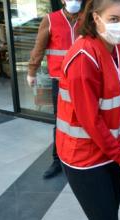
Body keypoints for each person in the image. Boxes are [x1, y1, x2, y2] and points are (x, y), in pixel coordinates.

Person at [56, 0, 120, 220]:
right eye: (114, 19)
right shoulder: (84, 57)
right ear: (96, 18)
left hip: (111, 148)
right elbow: (90, 120)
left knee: (110, 217)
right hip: (84, 157)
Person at [26, 0, 84, 179]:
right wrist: (32, 71)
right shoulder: (50, 20)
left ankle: (83, 158)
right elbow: (39, 47)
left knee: (86, 119)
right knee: (61, 122)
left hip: (84, 80)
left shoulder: (88, 18)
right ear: (62, 0)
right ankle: (57, 160)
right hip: (60, 81)